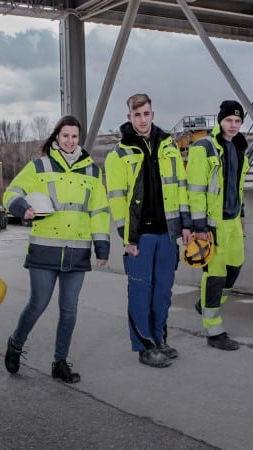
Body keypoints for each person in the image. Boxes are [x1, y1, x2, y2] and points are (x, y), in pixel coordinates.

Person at [2, 115, 110, 383]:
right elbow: (10, 192)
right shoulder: (39, 166)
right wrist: (20, 208)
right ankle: (16, 344)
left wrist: (102, 245)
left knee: (69, 309)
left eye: (75, 136)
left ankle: (60, 362)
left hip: (78, 249)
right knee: (38, 304)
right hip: (45, 248)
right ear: (57, 137)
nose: (70, 141)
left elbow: (98, 211)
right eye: (65, 136)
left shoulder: (93, 171)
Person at [104, 94, 191, 368]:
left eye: (147, 114)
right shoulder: (118, 155)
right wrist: (126, 238)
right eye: (137, 114)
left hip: (167, 232)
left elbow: (181, 186)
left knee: (163, 290)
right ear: (129, 116)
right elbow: (116, 200)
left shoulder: (169, 147)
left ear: (153, 114)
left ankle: (159, 338)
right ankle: (144, 345)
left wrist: (185, 224)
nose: (143, 119)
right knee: (141, 291)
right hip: (140, 235)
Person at [186, 100, 250, 351]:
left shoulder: (239, 147)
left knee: (235, 268)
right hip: (212, 223)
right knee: (215, 275)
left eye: (237, 121)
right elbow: (196, 190)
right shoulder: (204, 147)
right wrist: (200, 225)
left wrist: (242, 212)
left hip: (233, 221)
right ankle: (214, 330)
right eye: (229, 120)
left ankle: (205, 304)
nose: (233, 125)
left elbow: (237, 185)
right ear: (220, 121)